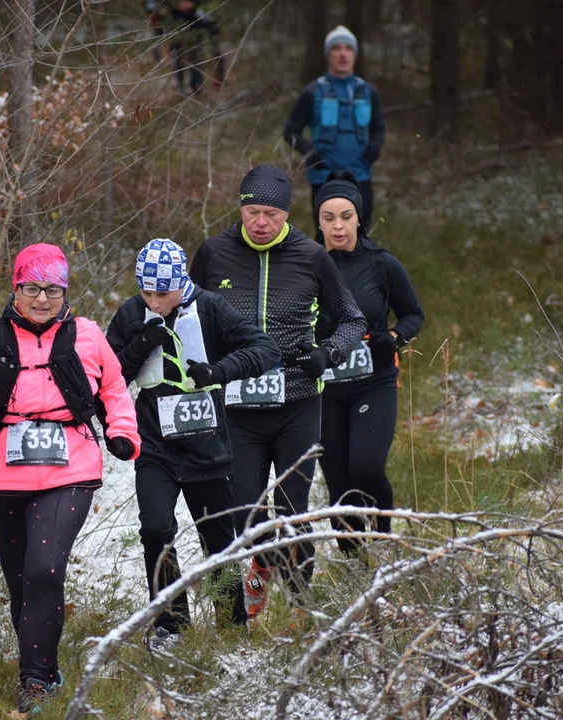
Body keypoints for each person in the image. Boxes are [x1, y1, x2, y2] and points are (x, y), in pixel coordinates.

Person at [0, 243, 141, 715]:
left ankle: (36, 681)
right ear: (17, 289)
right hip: (0, 472)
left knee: (45, 567)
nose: (42, 298)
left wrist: (122, 431)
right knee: (22, 582)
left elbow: (113, 388)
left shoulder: (86, 335)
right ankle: (41, 662)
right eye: (32, 287)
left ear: (65, 291)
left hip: (70, 468)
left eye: (52, 289)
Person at [189, 164, 366, 621]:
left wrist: (329, 352)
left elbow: (352, 320)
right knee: (243, 513)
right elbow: (185, 315)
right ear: (241, 209)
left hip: (299, 401)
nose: (260, 222)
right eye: (252, 211)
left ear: (286, 214)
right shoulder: (213, 254)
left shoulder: (312, 256)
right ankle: (260, 564)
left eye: (270, 212)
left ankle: (300, 608)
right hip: (237, 405)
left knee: (291, 508)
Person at [107, 238, 280, 648]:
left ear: (181, 283)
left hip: (208, 447)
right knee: (155, 528)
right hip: (155, 447)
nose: (153, 301)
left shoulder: (210, 307)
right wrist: (141, 344)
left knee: (218, 539)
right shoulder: (133, 313)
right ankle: (170, 624)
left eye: (161, 293)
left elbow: (265, 349)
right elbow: (108, 377)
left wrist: (219, 371)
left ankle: (231, 625)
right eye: (145, 292)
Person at [313, 171, 423, 556]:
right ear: (318, 220)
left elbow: (413, 315)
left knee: (365, 466)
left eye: (346, 216)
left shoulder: (382, 264)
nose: (337, 226)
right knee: (339, 481)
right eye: (328, 217)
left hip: (374, 381)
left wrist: (392, 338)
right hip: (325, 388)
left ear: (359, 217)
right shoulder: (305, 263)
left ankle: (382, 541)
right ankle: (353, 562)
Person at [283, 25, 385, 227]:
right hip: (324, 177)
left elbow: (378, 127)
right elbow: (290, 131)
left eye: (348, 48)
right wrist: (310, 153)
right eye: (336, 48)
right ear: (328, 54)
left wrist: (375, 148)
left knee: (361, 238)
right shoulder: (312, 92)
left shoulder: (368, 92)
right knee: (327, 237)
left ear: (354, 54)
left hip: (360, 176)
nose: (342, 54)